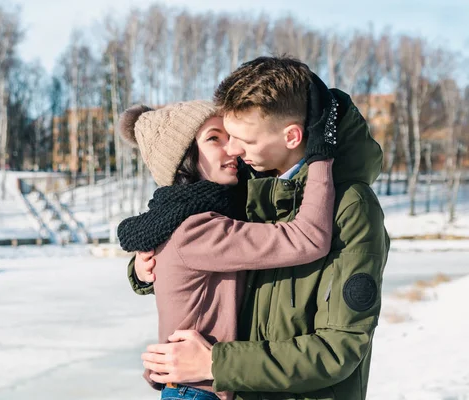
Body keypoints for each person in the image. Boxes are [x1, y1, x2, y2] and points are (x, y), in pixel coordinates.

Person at [130, 57, 390, 400]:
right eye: (223, 137)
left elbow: (338, 350)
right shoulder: (250, 189)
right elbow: (187, 238)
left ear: (292, 135)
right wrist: (144, 266)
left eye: (243, 139)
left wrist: (215, 364)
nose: (233, 150)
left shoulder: (351, 207)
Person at [116, 95, 336, 400]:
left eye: (230, 136)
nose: (231, 147)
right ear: (184, 157)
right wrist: (320, 157)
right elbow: (307, 238)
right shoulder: (198, 229)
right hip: (198, 391)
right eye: (213, 138)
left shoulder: (184, 218)